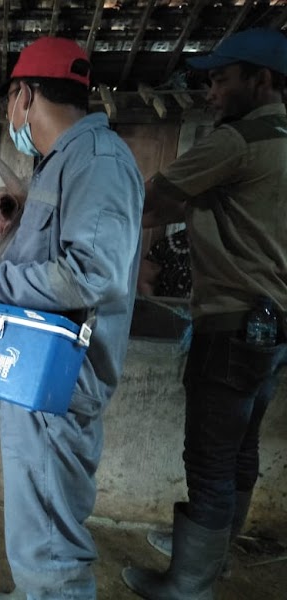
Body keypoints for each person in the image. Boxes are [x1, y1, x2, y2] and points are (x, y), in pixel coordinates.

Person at [0, 37, 144, 600]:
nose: (10, 113)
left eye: (10, 100)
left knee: (49, 521)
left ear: (24, 96)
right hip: (34, 371)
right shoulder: (59, 164)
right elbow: (25, 261)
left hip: (62, 378)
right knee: (35, 507)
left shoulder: (98, 163)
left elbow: (90, 276)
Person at [121, 27, 287, 599]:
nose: (211, 92)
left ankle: (190, 585)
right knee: (241, 449)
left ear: (261, 80)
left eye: (222, 79)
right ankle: (214, 559)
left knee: (210, 459)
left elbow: (146, 200)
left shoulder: (237, 142)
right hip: (273, 326)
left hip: (231, 319)